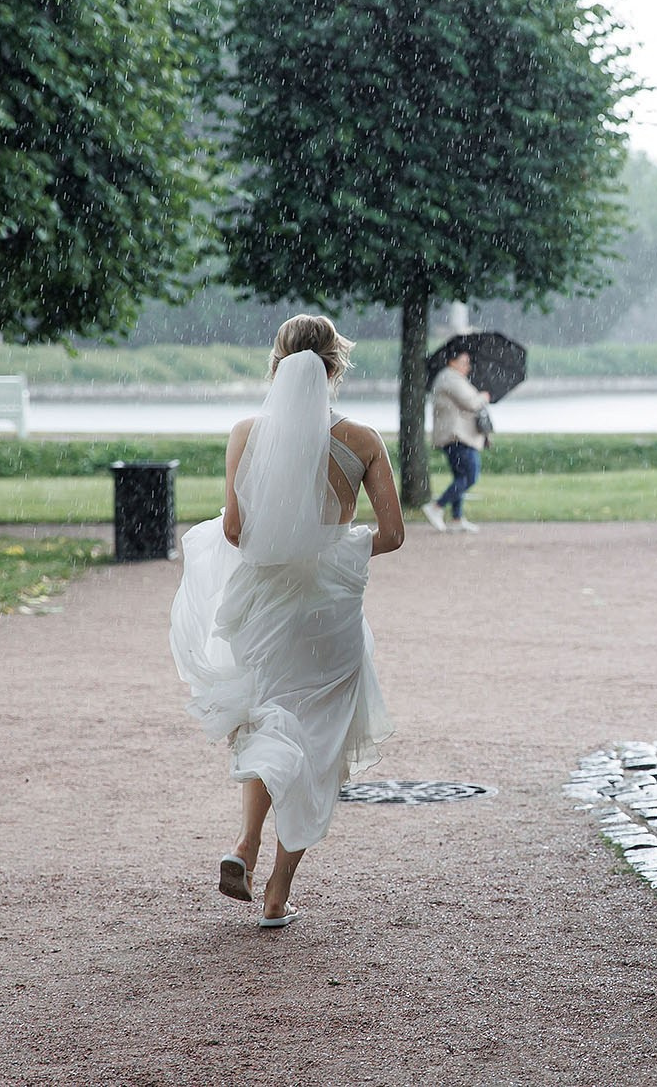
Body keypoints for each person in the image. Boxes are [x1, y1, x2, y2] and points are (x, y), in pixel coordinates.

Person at [169, 314, 405, 929]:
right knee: (319, 741)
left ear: (276, 363)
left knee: (269, 716)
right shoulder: (363, 441)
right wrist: (334, 546)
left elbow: (234, 530)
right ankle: (277, 892)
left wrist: (284, 540)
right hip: (329, 610)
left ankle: (244, 845)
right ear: (335, 366)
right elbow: (393, 534)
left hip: (267, 606)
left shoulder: (247, 433)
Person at [421, 349, 489, 534]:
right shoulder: (450, 378)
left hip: (455, 436)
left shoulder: (450, 378)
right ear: (452, 362)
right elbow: (470, 403)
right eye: (464, 362)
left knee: (460, 477)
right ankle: (437, 506)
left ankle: (457, 518)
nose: (468, 366)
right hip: (457, 437)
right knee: (470, 475)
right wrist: (483, 397)